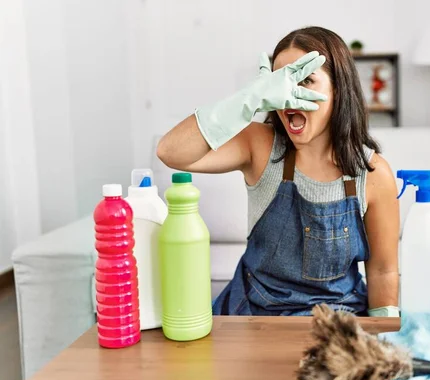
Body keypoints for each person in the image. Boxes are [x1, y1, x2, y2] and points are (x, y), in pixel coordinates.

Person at [157, 26, 399, 317]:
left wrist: (382, 339)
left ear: (338, 90)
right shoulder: (258, 145)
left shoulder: (372, 173)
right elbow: (170, 151)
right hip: (255, 315)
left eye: (305, 80)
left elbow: (383, 271)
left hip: (336, 322)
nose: (288, 98)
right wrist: (250, 98)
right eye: (280, 83)